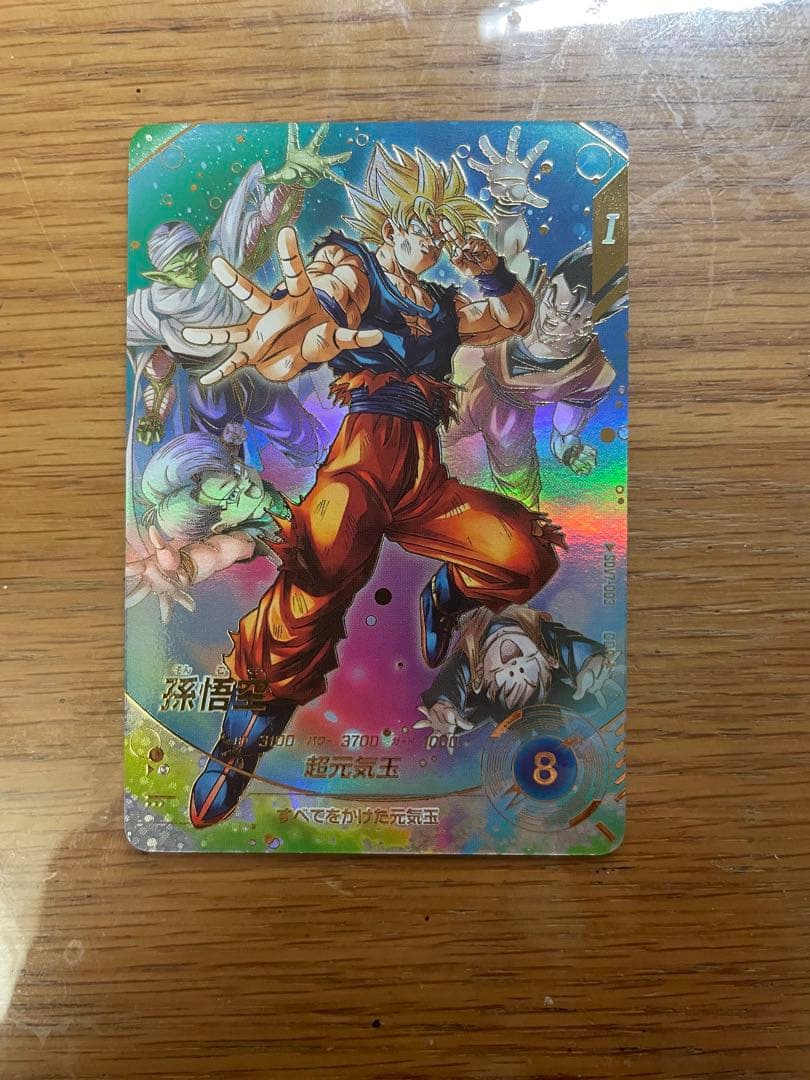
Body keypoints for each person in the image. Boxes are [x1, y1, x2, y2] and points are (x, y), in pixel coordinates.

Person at [178, 142, 567, 827]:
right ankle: (243, 735)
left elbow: (512, 319)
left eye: (442, 228)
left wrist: (492, 271)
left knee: (524, 555)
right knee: (319, 564)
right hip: (360, 464)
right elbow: (325, 296)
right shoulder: (357, 268)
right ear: (389, 223)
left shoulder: (443, 303)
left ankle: (447, 594)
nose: (432, 238)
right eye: (422, 221)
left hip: (423, 481)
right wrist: (296, 321)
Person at [126, 123, 350, 467]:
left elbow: (263, 223)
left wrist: (290, 181)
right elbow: (159, 370)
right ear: (161, 275)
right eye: (179, 266)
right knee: (215, 462)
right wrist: (154, 414)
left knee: (305, 440)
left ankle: (328, 470)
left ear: (203, 248)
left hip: (254, 371)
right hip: (208, 389)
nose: (191, 269)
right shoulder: (152, 308)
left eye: (194, 257)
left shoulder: (222, 261)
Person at [445, 126, 627, 510]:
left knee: (520, 497)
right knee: (416, 442)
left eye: (573, 315)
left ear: (594, 321)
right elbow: (507, 250)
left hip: (511, 418)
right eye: (554, 300)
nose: (554, 317)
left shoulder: (593, 373)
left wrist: (569, 449)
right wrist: (508, 204)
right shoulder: (529, 292)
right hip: (465, 379)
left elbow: (565, 430)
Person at [125, 425, 289, 623]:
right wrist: (186, 568)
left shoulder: (272, 465)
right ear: (220, 526)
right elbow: (221, 551)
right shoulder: (252, 534)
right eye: (234, 496)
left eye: (237, 473)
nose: (249, 486)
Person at [415, 605, 620, 752]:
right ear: (548, 658)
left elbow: (454, 680)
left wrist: (444, 705)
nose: (516, 667)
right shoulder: (541, 635)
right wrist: (592, 663)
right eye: (531, 673)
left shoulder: (471, 657)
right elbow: (568, 647)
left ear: (480, 678)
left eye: (507, 681)